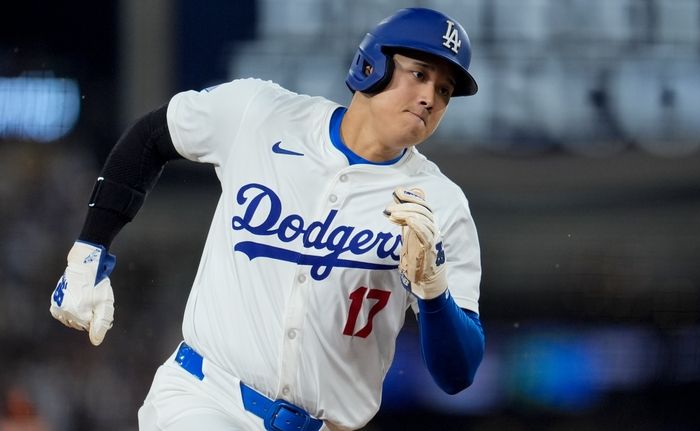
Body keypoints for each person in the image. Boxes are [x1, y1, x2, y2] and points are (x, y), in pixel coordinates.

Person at [49, 7, 485, 431]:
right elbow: (151, 137)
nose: (430, 98)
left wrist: (434, 292)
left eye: (445, 91)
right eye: (419, 74)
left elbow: (458, 374)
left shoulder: (441, 205)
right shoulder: (261, 114)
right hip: (205, 398)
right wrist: (90, 250)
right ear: (373, 66)